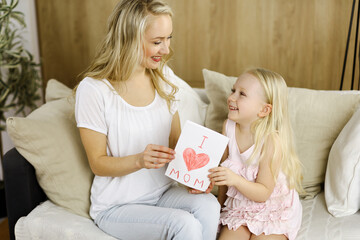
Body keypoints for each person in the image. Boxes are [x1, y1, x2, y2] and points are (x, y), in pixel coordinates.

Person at [74, 0, 220, 239]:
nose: (166, 50)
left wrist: (192, 178)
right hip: (116, 206)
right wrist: (139, 160)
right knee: (184, 225)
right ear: (129, 39)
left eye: (168, 38)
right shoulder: (93, 90)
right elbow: (97, 163)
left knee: (209, 205)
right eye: (157, 42)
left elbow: (175, 143)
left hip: (162, 193)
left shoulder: (164, 77)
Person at [209, 68, 303, 240]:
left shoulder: (270, 141)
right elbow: (224, 178)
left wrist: (235, 179)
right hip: (240, 208)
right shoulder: (228, 127)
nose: (231, 97)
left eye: (242, 94)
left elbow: (263, 193)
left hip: (272, 209)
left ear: (264, 110)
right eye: (233, 90)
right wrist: (218, 210)